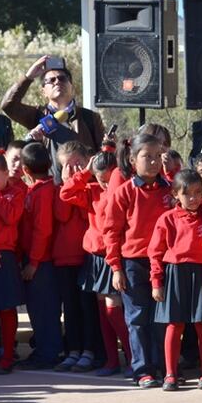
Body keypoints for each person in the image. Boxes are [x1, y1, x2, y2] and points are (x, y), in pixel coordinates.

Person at [103, 133, 172, 387]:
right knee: (138, 318)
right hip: (133, 263)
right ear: (133, 160)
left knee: (162, 319)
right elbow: (111, 231)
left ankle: (166, 367)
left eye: (157, 157)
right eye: (147, 157)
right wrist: (116, 267)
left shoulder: (170, 190)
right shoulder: (124, 192)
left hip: (164, 263)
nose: (153, 162)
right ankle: (142, 370)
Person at [61, 147, 131, 375]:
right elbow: (66, 194)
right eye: (99, 179)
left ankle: (133, 359)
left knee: (114, 311)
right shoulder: (91, 190)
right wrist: (84, 173)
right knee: (102, 312)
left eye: (107, 180)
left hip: (113, 255)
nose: (103, 184)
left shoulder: (121, 190)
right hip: (95, 257)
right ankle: (111, 361)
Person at [149, 169, 202, 391]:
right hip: (175, 274)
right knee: (174, 325)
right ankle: (170, 373)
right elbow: (155, 253)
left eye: (198, 192)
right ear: (176, 194)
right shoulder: (167, 219)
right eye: (188, 194)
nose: (194, 198)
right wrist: (156, 282)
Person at [1, 55, 105, 182]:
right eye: (51, 80)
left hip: (84, 189)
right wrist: (28, 76)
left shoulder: (90, 117)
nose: (57, 82)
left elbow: (102, 155)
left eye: (62, 78)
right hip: (48, 191)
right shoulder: (37, 115)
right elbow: (8, 105)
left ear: (71, 86)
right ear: (43, 92)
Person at [17, 142, 62, 369]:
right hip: (39, 259)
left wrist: (33, 262)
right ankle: (45, 349)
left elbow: (42, 230)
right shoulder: (38, 190)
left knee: (44, 308)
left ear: (25, 169)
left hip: (42, 262)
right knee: (39, 308)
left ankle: (48, 353)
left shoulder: (43, 193)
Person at [53, 141, 96, 372]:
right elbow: (62, 213)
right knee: (69, 307)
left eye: (77, 163)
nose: (72, 170)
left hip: (85, 255)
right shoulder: (60, 189)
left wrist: (80, 182)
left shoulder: (93, 187)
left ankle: (89, 350)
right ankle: (73, 350)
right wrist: (70, 181)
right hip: (63, 258)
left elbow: (85, 215)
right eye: (66, 166)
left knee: (87, 306)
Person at [0, 148, 25, 375]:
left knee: (6, 309)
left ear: (5, 175)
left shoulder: (15, 193)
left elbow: (11, 217)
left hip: (5, 257)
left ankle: (8, 356)